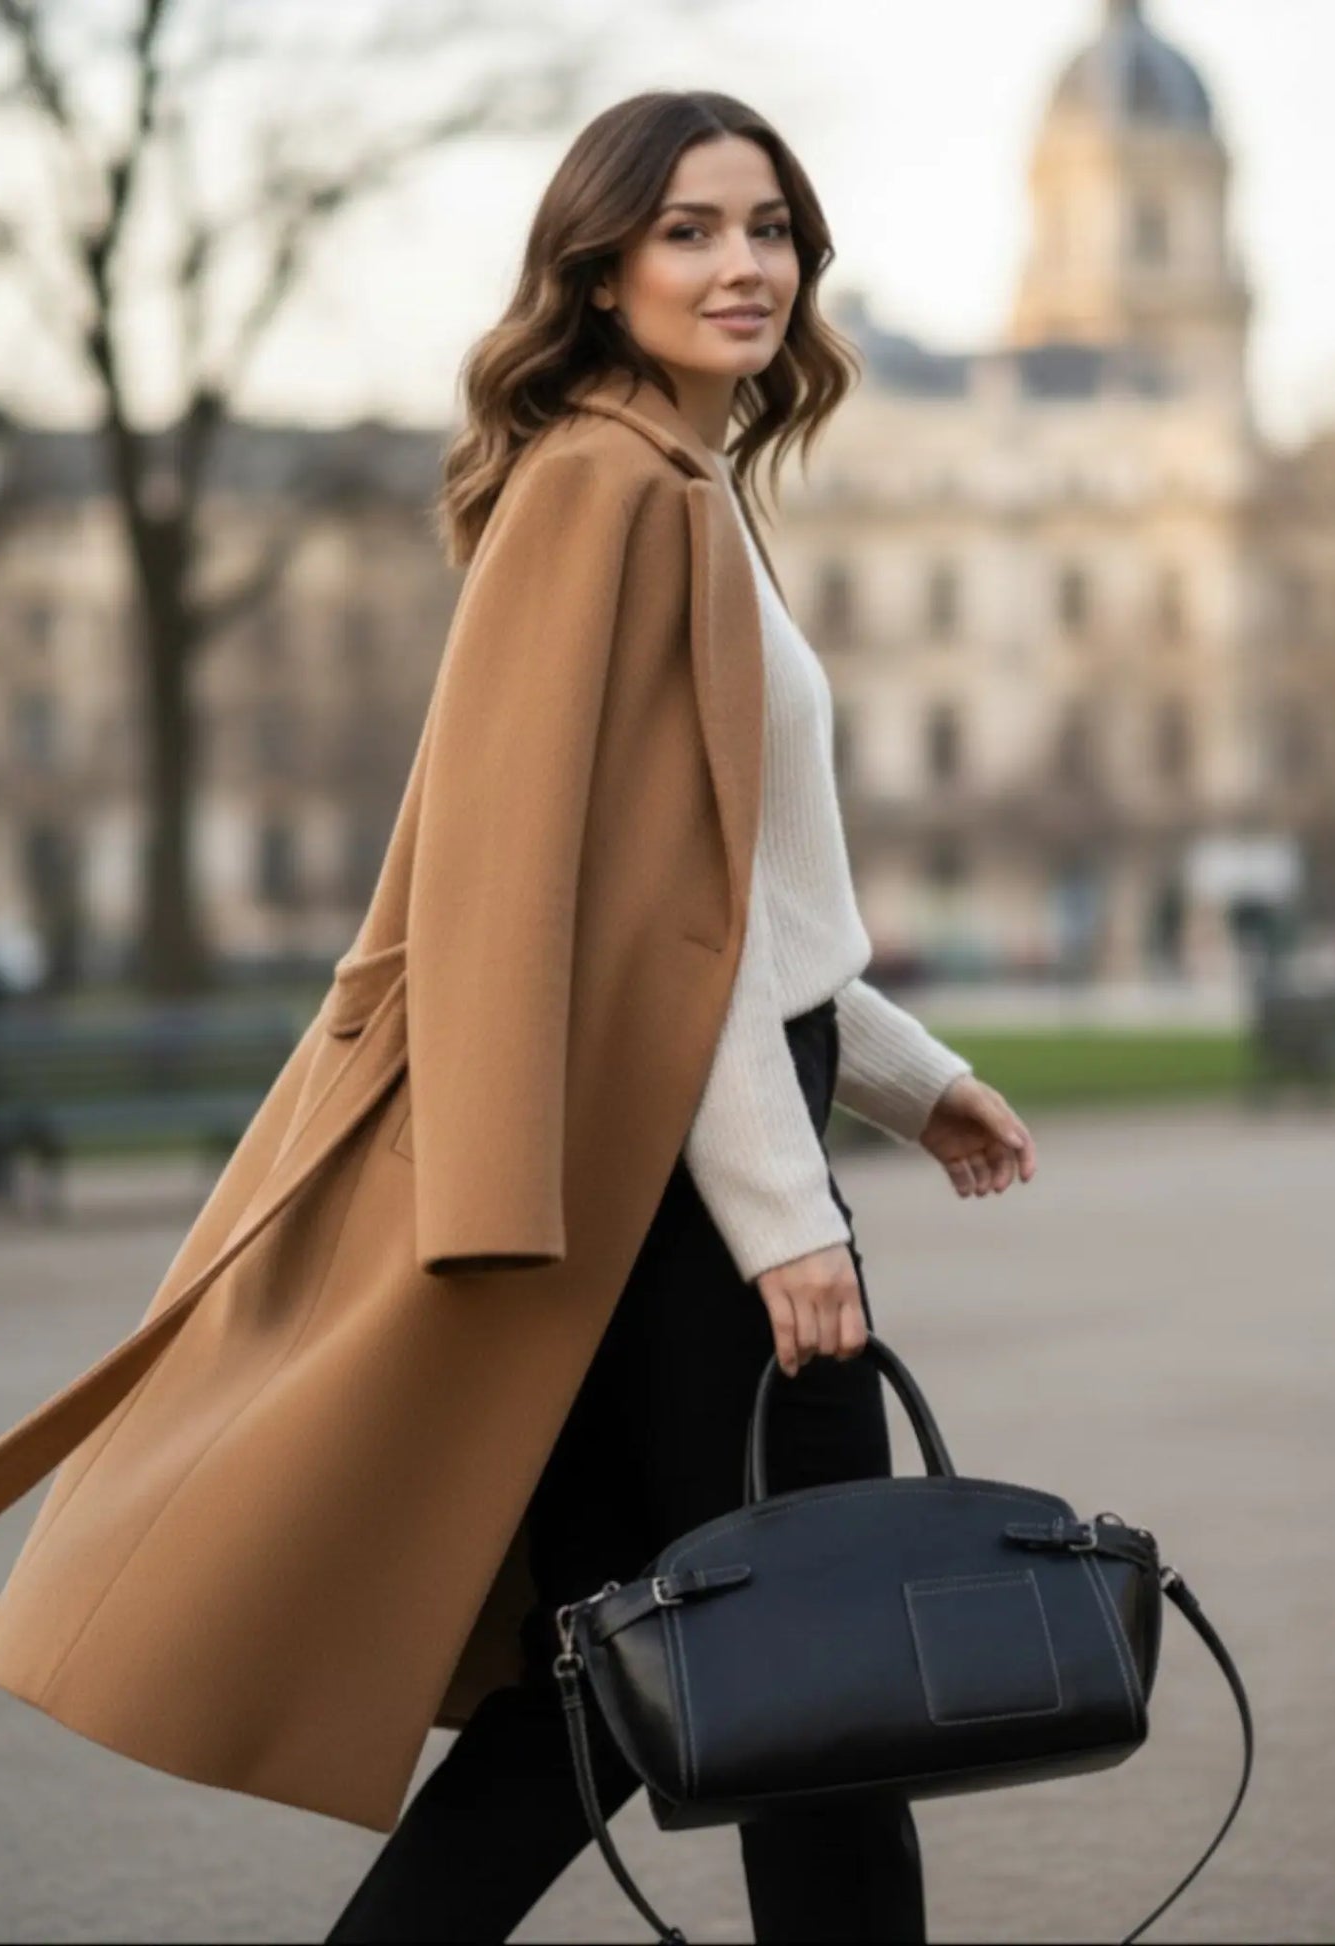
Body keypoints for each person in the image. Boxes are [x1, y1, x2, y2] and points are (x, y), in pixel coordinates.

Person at [326, 89, 1037, 1945]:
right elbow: (652, 922)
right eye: (691, 230)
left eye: (770, 227)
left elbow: (735, 894)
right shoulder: (611, 490)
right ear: (601, 267)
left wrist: (907, 1076)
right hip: (689, 1176)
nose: (743, 264)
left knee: (612, 1679)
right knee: (807, 1662)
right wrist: (787, 1211)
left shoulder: (673, 484)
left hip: (684, 1145)